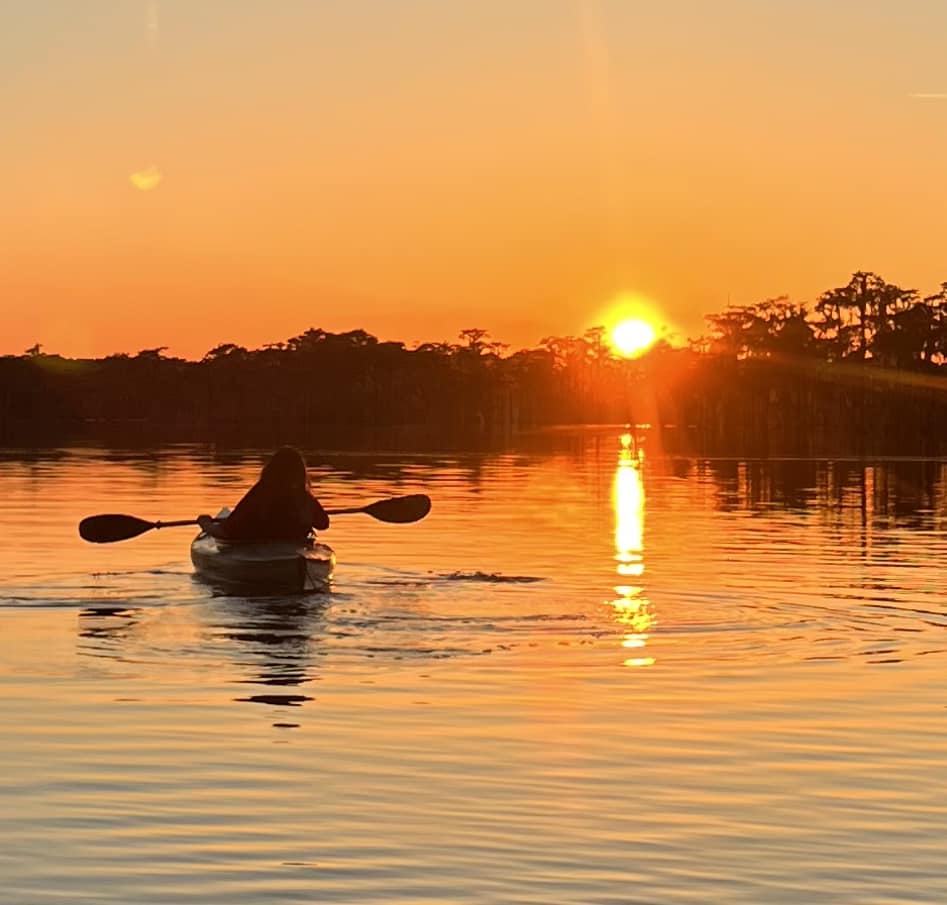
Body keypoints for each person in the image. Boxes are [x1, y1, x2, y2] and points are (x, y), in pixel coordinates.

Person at [198, 446, 329, 542]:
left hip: (261, 548)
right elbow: (323, 523)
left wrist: (206, 524)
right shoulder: (304, 498)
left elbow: (227, 530)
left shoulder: (261, 493)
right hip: (292, 549)